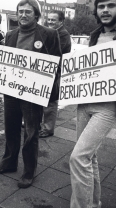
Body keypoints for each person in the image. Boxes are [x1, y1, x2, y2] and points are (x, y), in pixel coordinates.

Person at [0, 0, 61, 188]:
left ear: (36, 15)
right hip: (12, 91)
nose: (23, 15)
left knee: (31, 133)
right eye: (20, 11)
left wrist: (49, 89)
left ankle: (29, 171)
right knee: (11, 127)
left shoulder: (49, 34)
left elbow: (56, 63)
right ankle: (9, 162)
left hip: (33, 93)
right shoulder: (11, 35)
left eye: (27, 11)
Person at [70, 0, 116, 208]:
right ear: (96, 11)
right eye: (101, 7)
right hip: (84, 103)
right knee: (90, 158)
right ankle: (94, 203)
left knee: (78, 158)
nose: (106, 10)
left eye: (111, 6)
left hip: (106, 107)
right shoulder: (94, 35)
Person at [39, 10, 71, 138]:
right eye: (49, 19)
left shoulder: (63, 35)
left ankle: (48, 129)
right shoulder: (51, 32)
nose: (50, 22)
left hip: (54, 71)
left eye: (54, 20)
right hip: (45, 69)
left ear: (61, 21)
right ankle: (38, 123)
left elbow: (53, 52)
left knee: (51, 100)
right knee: (41, 98)